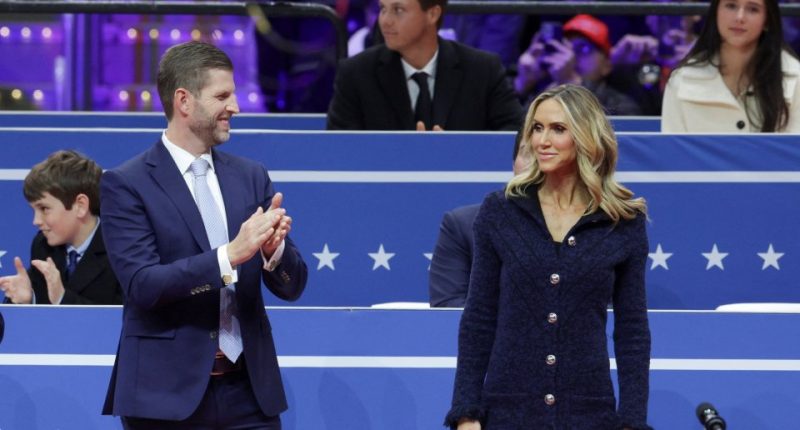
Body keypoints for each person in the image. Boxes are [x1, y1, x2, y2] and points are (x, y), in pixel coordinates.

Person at [100, 41, 308, 428]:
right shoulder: (126, 184)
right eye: (222, 96)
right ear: (184, 100)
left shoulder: (251, 176)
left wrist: (273, 254)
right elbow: (142, 284)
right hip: (164, 398)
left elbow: (292, 285)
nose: (235, 107)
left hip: (250, 394)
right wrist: (229, 256)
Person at [445, 85, 651, 429]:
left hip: (589, 413)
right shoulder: (500, 211)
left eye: (558, 129)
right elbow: (479, 317)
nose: (543, 140)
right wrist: (466, 411)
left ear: (586, 136)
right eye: (536, 128)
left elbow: (632, 332)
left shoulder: (623, 222)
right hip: (507, 411)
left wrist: (631, 421)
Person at [326, 0, 523, 131]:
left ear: (432, 14)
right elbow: (341, 150)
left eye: (398, 10)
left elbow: (514, 137)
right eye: (383, 9)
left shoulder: (483, 70)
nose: (385, 21)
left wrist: (458, 151)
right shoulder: (356, 73)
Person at [0, 150, 122, 305]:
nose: (36, 221)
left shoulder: (122, 249)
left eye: (44, 209)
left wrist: (62, 299)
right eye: (34, 211)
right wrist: (28, 299)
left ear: (80, 206)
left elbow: (125, 318)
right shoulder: (42, 246)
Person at [429, 128, 532, 308]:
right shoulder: (463, 225)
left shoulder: (591, 224)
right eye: (527, 153)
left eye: (545, 153)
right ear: (513, 164)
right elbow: (449, 310)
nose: (535, 164)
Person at [662, 0, 800, 132]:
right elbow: (672, 153)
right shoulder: (681, 79)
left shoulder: (795, 77)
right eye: (731, 6)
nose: (739, 17)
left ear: (767, 20)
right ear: (716, 12)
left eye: (753, 9)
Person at [515, 14, 642, 115]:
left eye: (583, 49)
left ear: (607, 66)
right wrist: (522, 84)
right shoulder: (540, 92)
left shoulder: (620, 103)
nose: (571, 55)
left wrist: (571, 82)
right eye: (564, 45)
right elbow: (511, 129)